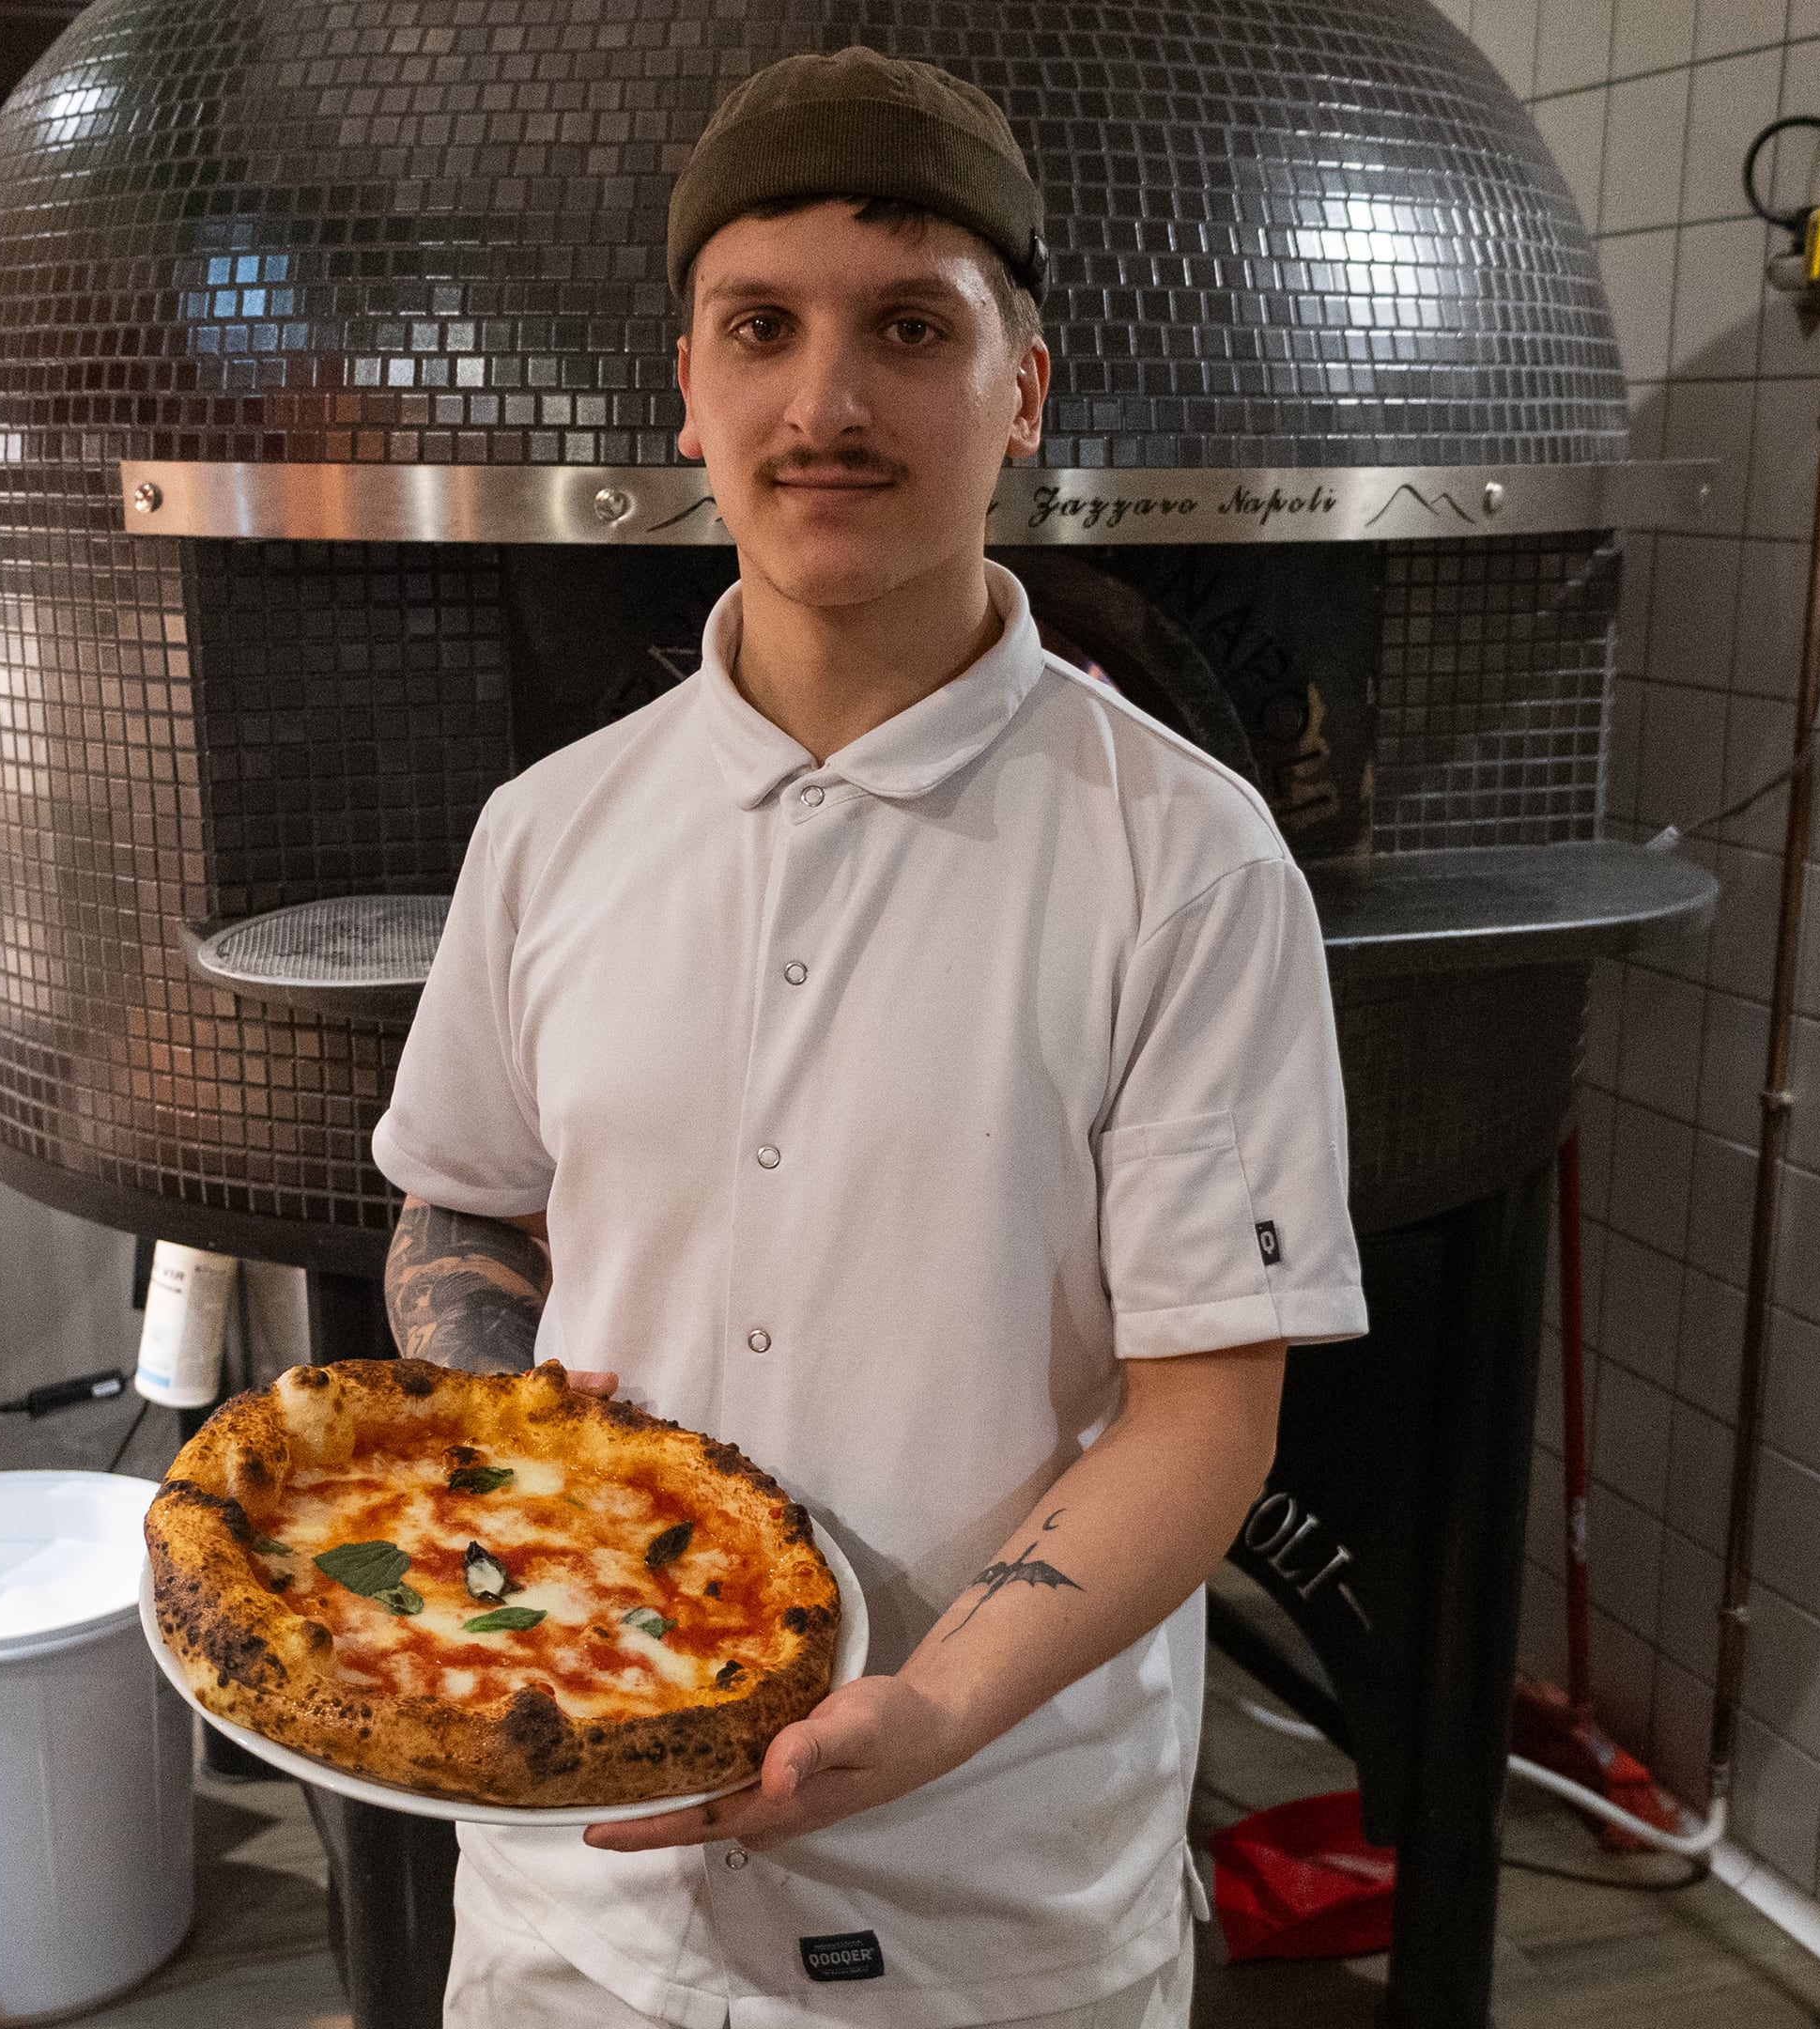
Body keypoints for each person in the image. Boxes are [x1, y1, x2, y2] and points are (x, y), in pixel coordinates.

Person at [374, 47, 1365, 2029]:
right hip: (578, 1886)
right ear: (691, 385)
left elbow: (1204, 1413)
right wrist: (525, 1481)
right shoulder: (549, 832)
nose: (824, 403)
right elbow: (461, 1222)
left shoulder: (1181, 857)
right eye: (764, 329)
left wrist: (931, 1707)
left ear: (1021, 393)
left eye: (909, 329)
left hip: (984, 1897)